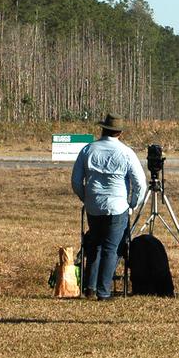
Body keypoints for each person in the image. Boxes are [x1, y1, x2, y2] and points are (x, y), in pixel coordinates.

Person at [70, 113, 147, 299]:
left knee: (94, 245)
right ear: (119, 132)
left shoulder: (88, 150)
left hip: (93, 206)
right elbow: (140, 184)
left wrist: (86, 198)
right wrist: (132, 205)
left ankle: (90, 288)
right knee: (111, 249)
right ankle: (104, 292)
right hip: (117, 206)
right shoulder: (126, 152)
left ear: (103, 129)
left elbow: (75, 180)